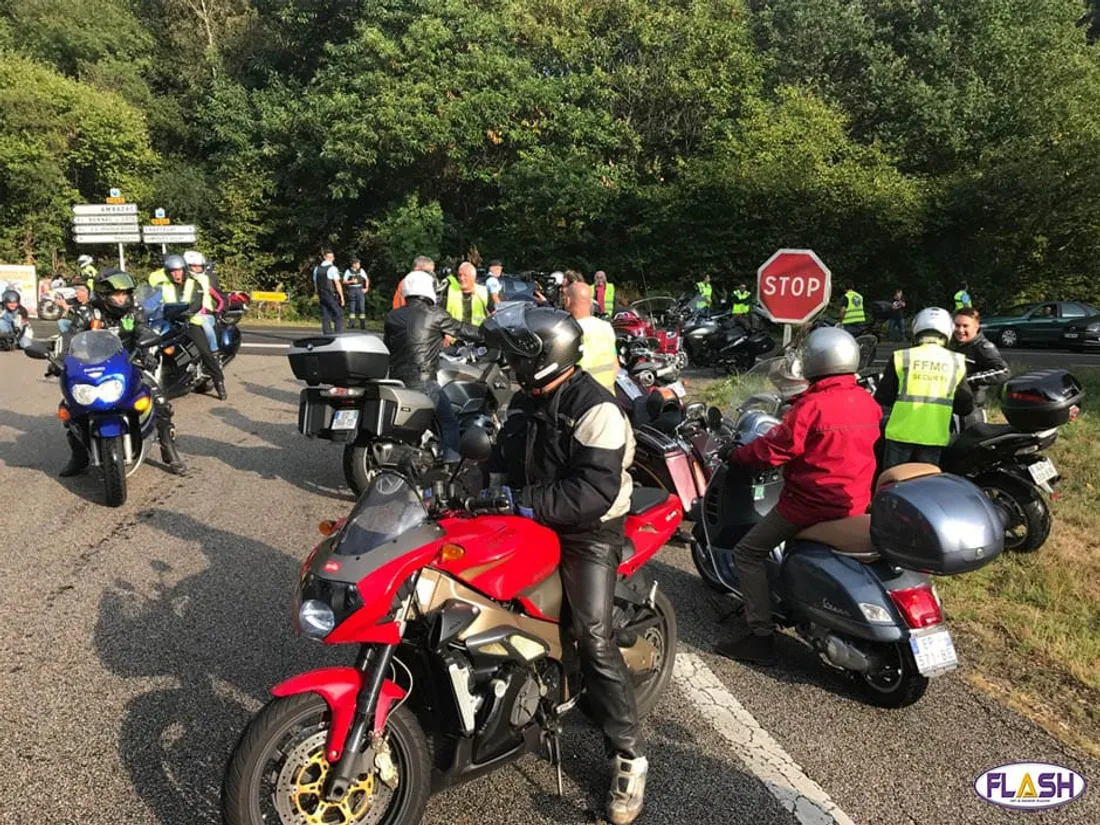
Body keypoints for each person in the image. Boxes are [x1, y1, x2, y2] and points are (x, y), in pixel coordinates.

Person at [481, 304, 646, 825]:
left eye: (516, 356)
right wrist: (460, 484)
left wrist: (519, 501)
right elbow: (500, 461)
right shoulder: (530, 399)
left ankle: (628, 754)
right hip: (534, 512)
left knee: (593, 633)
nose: (508, 364)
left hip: (587, 530)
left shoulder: (598, 409)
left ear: (544, 358)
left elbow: (591, 492)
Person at [715, 328, 882, 665]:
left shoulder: (812, 407)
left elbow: (776, 449)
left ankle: (759, 635)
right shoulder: (867, 401)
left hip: (809, 505)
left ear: (816, 362)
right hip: (854, 501)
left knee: (748, 552)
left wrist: (739, 456)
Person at [61, 270, 187, 476]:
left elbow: (143, 330)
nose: (122, 298)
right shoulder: (87, 312)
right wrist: (59, 360)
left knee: (161, 403)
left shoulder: (134, 310)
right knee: (70, 407)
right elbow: (69, 337)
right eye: (116, 295)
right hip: (94, 365)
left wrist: (147, 353)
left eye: (125, 294)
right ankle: (79, 457)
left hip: (130, 362)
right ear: (103, 295)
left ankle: (168, 450)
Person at [384, 270, 480, 462]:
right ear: (429, 289)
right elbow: (463, 330)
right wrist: (490, 334)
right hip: (423, 381)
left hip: (395, 380)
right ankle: (451, 462)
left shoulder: (392, 316)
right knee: (449, 422)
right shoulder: (434, 314)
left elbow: (388, 345)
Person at [875, 307, 974, 468]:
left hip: (900, 435)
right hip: (933, 438)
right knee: (925, 487)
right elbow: (965, 406)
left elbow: (883, 398)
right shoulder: (956, 361)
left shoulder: (902, 357)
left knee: (892, 484)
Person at [162, 254, 227, 400]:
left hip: (190, 321)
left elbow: (197, 302)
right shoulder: (164, 286)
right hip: (170, 322)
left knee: (205, 351)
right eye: (173, 271)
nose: (176, 274)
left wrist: (188, 312)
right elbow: (155, 302)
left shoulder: (194, 283)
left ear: (184, 270)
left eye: (179, 270)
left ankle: (219, 381)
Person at [950, 307, 1009, 426]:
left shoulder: (982, 347)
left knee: (970, 443)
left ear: (976, 326)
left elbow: (1003, 371)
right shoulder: (951, 344)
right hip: (950, 406)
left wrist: (968, 380)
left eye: (965, 326)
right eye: (957, 325)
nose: (961, 330)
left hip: (972, 410)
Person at [564, 280, 618, 391]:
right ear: (591, 302)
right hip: (608, 397)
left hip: (581, 401)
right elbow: (616, 365)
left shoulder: (567, 331)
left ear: (568, 301)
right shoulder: (606, 327)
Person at [184, 250, 223, 352]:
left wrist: (218, 310)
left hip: (205, 314)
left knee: (205, 324)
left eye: (199, 266)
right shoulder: (183, 281)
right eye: (194, 266)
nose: (197, 269)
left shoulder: (206, 280)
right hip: (186, 313)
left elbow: (219, 298)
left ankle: (214, 351)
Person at [445, 261, 491, 326]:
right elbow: (439, 315)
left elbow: (494, 314)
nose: (461, 278)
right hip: (455, 334)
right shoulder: (449, 291)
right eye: (459, 275)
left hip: (477, 334)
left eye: (465, 275)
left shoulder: (483, 291)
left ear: (473, 277)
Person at [313, 249, 344, 334]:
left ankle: (327, 334)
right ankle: (338, 334)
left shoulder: (317, 269)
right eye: (331, 257)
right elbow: (337, 283)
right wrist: (342, 296)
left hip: (321, 294)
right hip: (331, 294)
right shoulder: (332, 268)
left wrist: (317, 293)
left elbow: (315, 282)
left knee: (325, 316)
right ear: (326, 257)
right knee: (338, 314)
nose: (332, 258)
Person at [343, 257, 369, 330]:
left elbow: (366, 279)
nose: (359, 265)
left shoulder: (361, 270)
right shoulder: (348, 271)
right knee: (352, 308)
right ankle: (351, 324)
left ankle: (362, 325)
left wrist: (366, 288)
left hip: (360, 289)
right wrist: (351, 281)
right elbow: (344, 281)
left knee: (362, 307)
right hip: (352, 289)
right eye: (357, 264)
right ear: (353, 264)